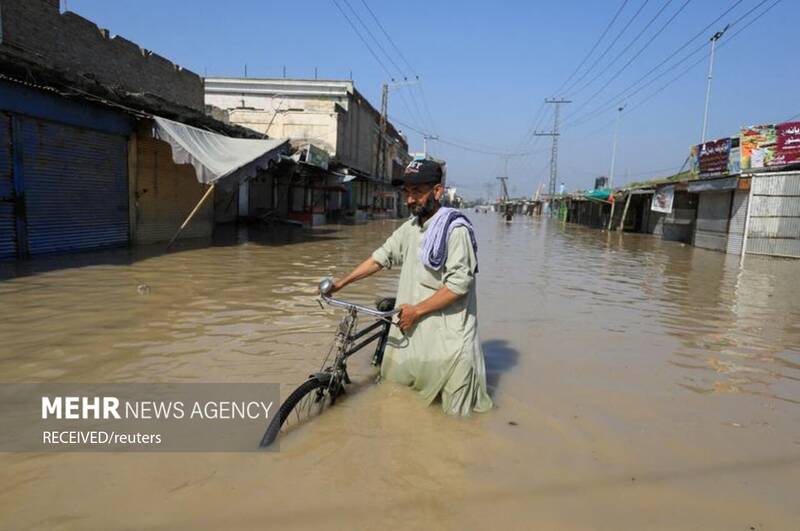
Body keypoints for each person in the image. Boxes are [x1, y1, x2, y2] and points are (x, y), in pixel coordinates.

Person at [330, 159, 493, 416]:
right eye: (407, 192)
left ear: (438, 191)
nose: (409, 200)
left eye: (417, 192)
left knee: (456, 422)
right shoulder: (410, 229)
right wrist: (341, 283)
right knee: (398, 405)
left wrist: (416, 311)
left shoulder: (455, 231)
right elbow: (379, 258)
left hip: (448, 340)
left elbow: (458, 287)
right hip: (414, 332)